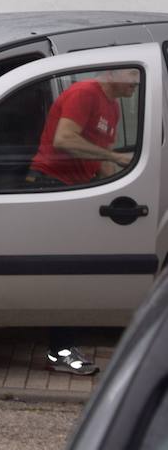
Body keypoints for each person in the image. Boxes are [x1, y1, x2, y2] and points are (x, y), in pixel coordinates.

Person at [27, 68, 140, 375]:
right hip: (51, 184)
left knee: (77, 269)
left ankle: (64, 345)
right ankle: (60, 351)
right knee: (67, 270)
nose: (137, 82)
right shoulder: (85, 94)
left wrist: (125, 193)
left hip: (78, 188)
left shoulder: (112, 106)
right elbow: (65, 139)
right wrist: (116, 159)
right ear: (112, 71)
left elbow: (100, 161)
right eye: (132, 73)